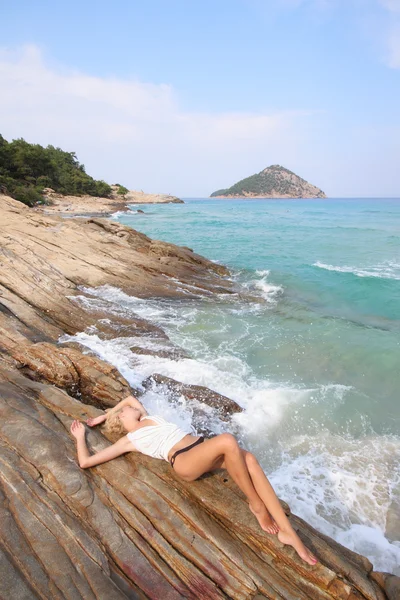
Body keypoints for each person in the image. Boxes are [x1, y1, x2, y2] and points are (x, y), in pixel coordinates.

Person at [70, 394, 318, 566]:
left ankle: (289, 534)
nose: (131, 406)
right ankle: (256, 505)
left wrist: (104, 416)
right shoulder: (129, 441)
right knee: (228, 441)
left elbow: (127, 399)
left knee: (249, 459)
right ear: (123, 419)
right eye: (124, 411)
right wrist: (81, 437)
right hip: (184, 461)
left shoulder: (148, 417)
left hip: (201, 449)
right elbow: (86, 462)